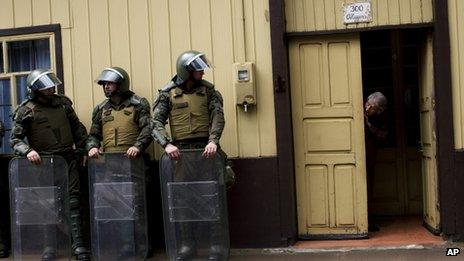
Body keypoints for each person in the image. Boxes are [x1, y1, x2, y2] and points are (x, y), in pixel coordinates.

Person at [152, 50, 229, 260]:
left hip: (206, 151)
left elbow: (218, 117)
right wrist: (166, 144)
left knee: (210, 196)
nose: (203, 72)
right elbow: (155, 123)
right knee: (182, 199)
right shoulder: (167, 93)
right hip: (180, 155)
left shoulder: (210, 92)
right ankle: (187, 245)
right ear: (186, 71)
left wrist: (213, 140)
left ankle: (215, 246)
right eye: (198, 69)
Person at [10, 69, 91, 260]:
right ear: (35, 89)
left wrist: (84, 150)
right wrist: (28, 151)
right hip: (44, 163)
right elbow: (15, 140)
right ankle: (49, 247)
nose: (50, 88)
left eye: (51, 85)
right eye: (45, 86)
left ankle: (78, 245)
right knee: (46, 205)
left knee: (73, 202)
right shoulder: (25, 110)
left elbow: (78, 128)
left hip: (68, 160)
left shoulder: (63, 104)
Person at [86, 67, 152, 258]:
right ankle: (123, 244)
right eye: (104, 84)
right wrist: (92, 147)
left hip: (133, 164)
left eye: (110, 83)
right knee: (117, 205)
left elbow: (148, 129)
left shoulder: (138, 104)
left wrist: (138, 146)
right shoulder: (101, 109)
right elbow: (94, 134)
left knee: (137, 205)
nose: (106, 87)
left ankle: (142, 244)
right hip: (109, 166)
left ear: (121, 84)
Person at [364, 91, 388, 232]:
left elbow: (383, 135)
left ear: (378, 110)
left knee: (368, 189)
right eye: (367, 104)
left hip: (370, 157)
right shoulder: (358, 107)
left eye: (371, 107)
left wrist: (369, 126)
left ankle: (367, 220)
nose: (367, 108)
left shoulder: (380, 118)